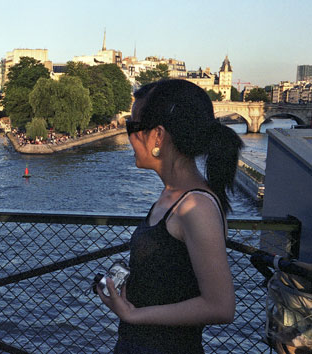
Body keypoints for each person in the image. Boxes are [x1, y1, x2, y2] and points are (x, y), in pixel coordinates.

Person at [97, 79, 240, 353]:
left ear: (158, 136)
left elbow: (221, 306)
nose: (128, 136)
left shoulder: (195, 206)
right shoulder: (172, 196)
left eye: (132, 127)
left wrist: (133, 315)